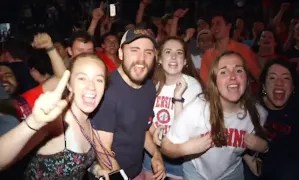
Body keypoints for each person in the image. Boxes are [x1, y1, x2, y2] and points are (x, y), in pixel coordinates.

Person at [156, 51, 267, 180]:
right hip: (197, 172)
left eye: (238, 70)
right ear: (215, 82)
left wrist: (264, 148)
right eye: (224, 72)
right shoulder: (198, 108)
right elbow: (166, 146)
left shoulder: (258, 114)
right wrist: (185, 149)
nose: (232, 77)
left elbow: (257, 149)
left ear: (247, 78)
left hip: (231, 172)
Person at [0, 53, 110, 179]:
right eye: (82, 78)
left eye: (99, 80)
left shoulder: (90, 121)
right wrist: (33, 122)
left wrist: (96, 169)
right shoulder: (56, 121)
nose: (92, 87)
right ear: (69, 84)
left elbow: (83, 161)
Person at [91, 29, 165, 180]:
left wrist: (156, 154)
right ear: (121, 53)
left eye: (148, 52)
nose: (141, 59)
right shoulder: (106, 91)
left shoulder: (149, 87)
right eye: (134, 50)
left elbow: (141, 129)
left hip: (136, 171)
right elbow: (102, 150)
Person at [143, 37, 203, 179]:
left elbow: (187, 130)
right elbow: (144, 118)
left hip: (180, 157)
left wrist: (178, 98)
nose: (174, 57)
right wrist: (153, 132)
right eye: (168, 52)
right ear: (159, 58)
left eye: (179, 53)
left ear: (185, 61)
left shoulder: (193, 87)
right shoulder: (151, 84)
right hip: (152, 151)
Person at [252, 59, 299, 180]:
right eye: (272, 78)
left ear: (293, 86)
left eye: (286, 78)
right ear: (263, 85)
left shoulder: (298, 102)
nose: (279, 83)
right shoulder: (252, 109)